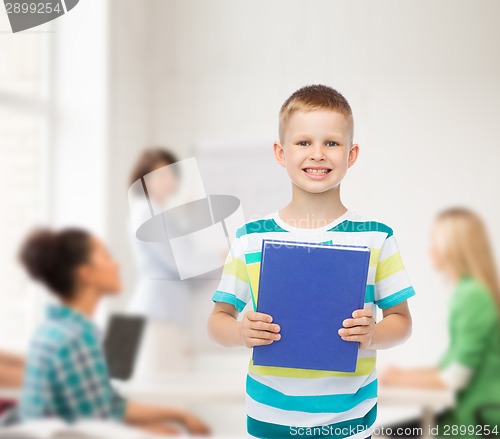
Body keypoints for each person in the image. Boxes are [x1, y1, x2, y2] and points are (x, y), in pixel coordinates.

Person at [207, 84, 416, 439]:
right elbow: (217, 321)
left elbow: (402, 322)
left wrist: (373, 334)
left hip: (350, 421)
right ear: (280, 152)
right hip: (269, 419)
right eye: (303, 142)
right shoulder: (249, 238)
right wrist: (241, 332)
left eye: (331, 143)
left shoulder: (376, 237)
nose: (317, 154)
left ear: (351, 155)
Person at [18, 227, 210, 435]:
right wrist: (157, 430)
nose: (116, 264)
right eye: (106, 256)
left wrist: (177, 415)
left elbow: (108, 406)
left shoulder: (55, 330)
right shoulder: (77, 339)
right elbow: (95, 426)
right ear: (87, 274)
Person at [379, 207, 500, 437]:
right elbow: (453, 366)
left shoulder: (472, 296)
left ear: (453, 247)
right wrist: (402, 376)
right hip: (471, 414)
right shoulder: (472, 292)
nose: (430, 249)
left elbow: (454, 378)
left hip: (477, 420)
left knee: (382, 435)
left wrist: (400, 379)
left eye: (435, 240)